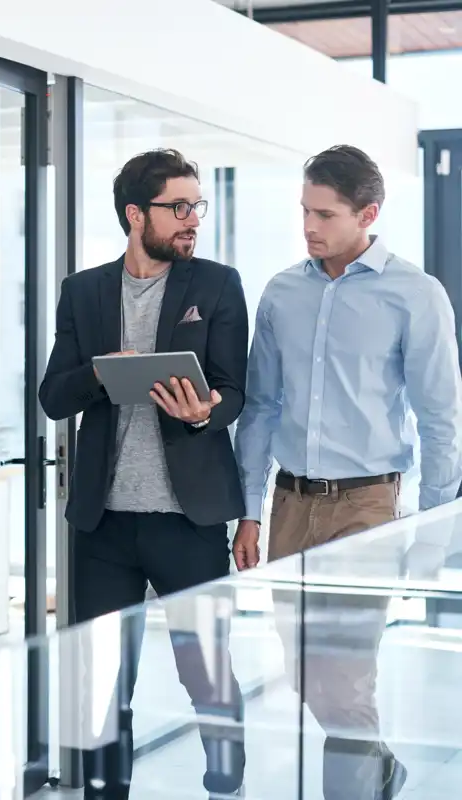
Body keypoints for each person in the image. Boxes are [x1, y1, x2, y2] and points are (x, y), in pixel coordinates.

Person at [234, 144, 462, 800]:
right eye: (305, 210)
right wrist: (250, 509)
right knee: (304, 673)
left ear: (369, 214)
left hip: (367, 508)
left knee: (347, 676)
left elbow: (441, 416)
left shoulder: (415, 294)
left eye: (325, 215)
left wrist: (430, 530)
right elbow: (261, 406)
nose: (309, 226)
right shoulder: (281, 292)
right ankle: (380, 767)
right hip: (290, 504)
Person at [39, 148, 248, 799]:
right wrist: (103, 373)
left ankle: (225, 786)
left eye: (197, 206)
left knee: (207, 673)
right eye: (178, 207)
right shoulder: (84, 291)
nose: (192, 220)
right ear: (136, 214)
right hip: (104, 526)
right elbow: (53, 397)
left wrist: (205, 411)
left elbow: (234, 390)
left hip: (189, 520)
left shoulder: (216, 284)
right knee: (101, 683)